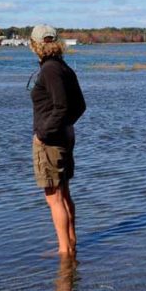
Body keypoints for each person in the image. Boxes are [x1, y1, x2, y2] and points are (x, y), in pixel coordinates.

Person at [29, 24, 86, 256]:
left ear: (35, 45)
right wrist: (64, 127)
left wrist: (44, 133)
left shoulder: (51, 70)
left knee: (54, 198)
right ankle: (70, 244)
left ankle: (64, 251)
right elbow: (79, 106)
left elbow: (63, 107)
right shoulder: (63, 68)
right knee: (63, 194)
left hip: (51, 141)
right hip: (63, 136)